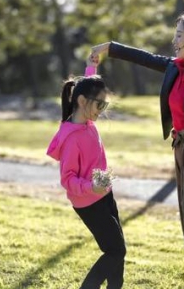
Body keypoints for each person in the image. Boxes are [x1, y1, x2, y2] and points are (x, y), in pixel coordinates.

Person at [90, 8, 184, 288]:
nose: (174, 40)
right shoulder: (175, 66)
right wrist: (108, 48)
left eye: (179, 35)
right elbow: (144, 57)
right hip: (182, 151)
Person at [46, 60, 126, 289]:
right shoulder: (72, 138)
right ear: (82, 102)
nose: (102, 110)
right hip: (89, 202)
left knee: (117, 250)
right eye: (100, 105)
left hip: (103, 193)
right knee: (115, 250)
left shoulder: (86, 120)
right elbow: (67, 179)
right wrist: (91, 188)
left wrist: (92, 67)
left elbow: (88, 86)